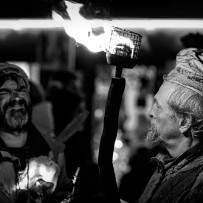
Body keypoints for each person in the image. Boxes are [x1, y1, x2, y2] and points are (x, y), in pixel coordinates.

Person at [0, 63, 72, 203]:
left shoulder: (52, 148)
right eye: (4, 92)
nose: (16, 97)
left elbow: (65, 192)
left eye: (22, 90)